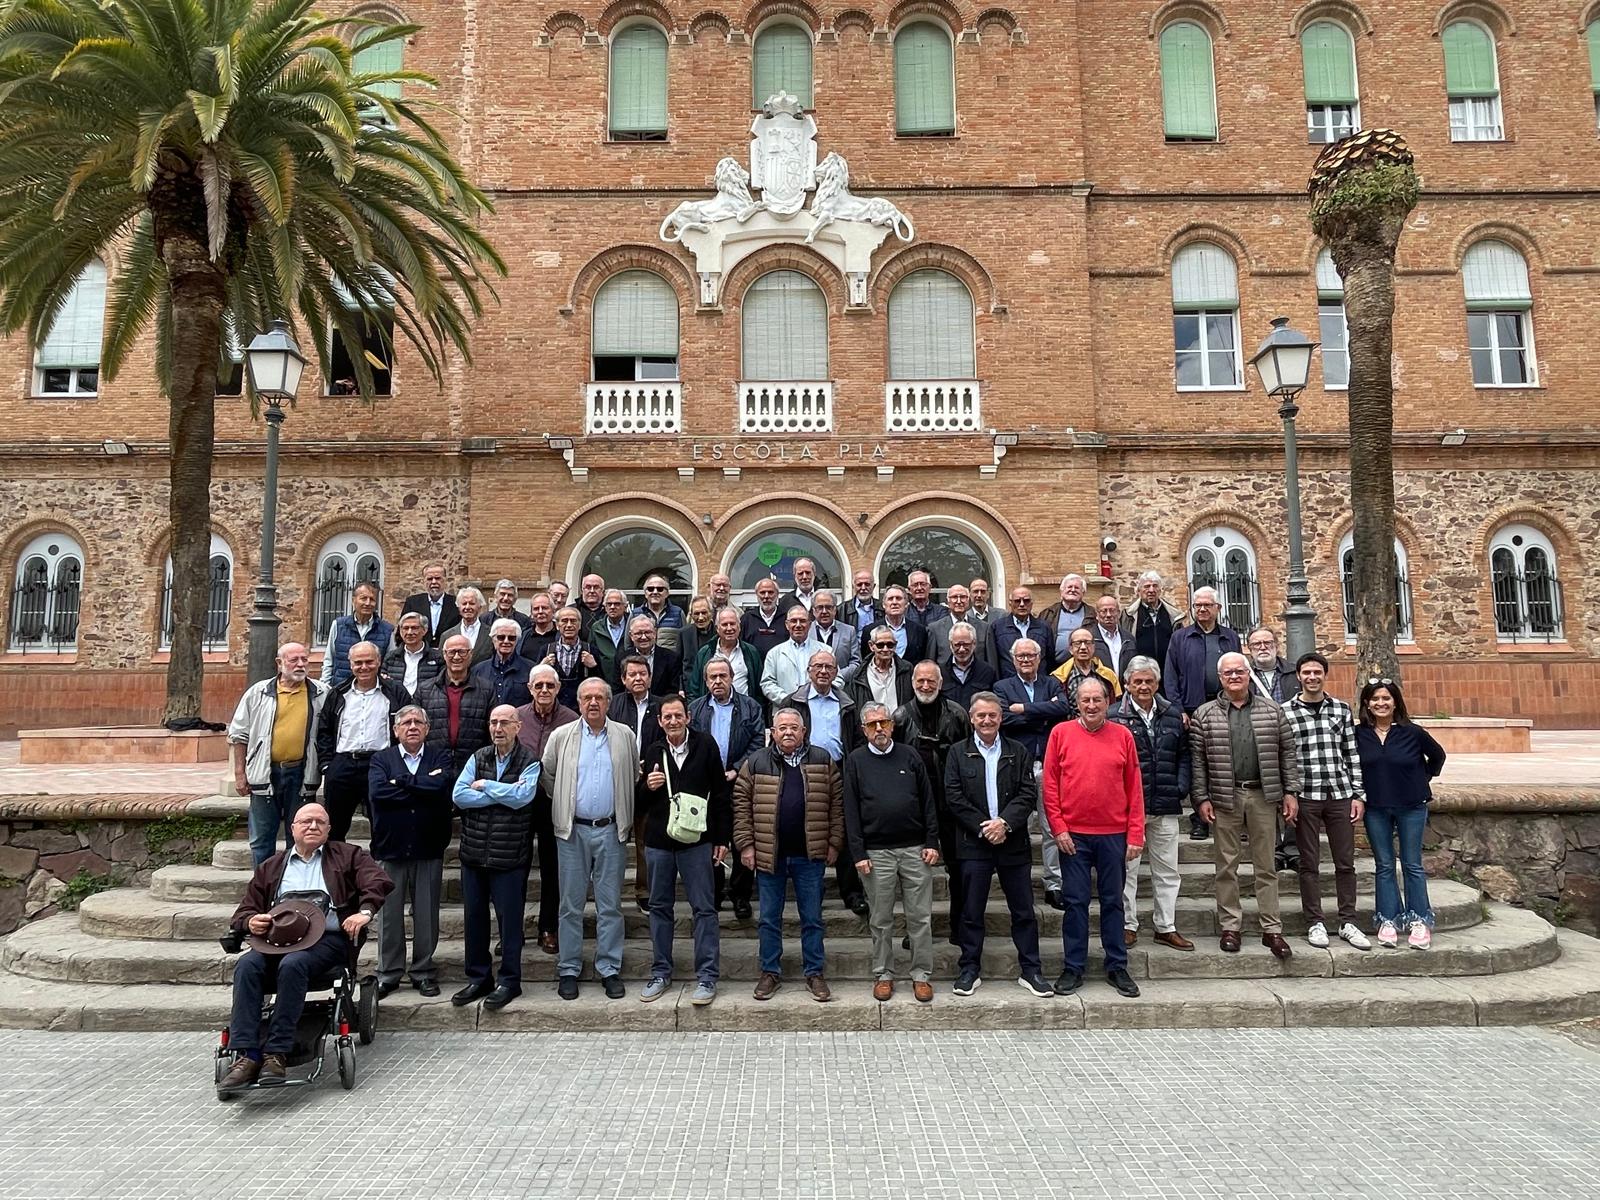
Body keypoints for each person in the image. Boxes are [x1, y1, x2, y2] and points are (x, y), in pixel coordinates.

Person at [218, 802, 392, 1090]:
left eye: (320, 822)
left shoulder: (348, 856)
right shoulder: (272, 867)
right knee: (248, 965)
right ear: (293, 828)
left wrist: (364, 912)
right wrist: (250, 922)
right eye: (306, 821)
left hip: (328, 940)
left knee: (294, 963)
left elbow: (377, 880)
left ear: (329, 829)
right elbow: (245, 910)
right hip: (277, 941)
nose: (313, 826)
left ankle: (277, 1053)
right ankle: (247, 1054)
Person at [1190, 652, 1300, 960]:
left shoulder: (1272, 710)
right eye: (1228, 673)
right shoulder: (1204, 714)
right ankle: (1231, 926)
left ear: (1248, 674)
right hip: (1225, 797)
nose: (1234, 677)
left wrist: (1290, 792)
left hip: (1264, 796)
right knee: (1227, 866)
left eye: (1239, 671)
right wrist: (1201, 797)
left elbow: (1287, 752)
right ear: (1220, 678)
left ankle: (1272, 929)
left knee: (1266, 865)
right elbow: (1198, 762)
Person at [942, 692, 1051, 998]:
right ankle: (969, 969)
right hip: (973, 844)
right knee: (971, 912)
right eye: (981, 716)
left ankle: (1031, 970)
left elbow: (1027, 794)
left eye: (992, 715)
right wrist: (984, 827)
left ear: (1001, 718)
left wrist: (1003, 823)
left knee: (1023, 911)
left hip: (1012, 842)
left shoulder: (1017, 751)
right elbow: (954, 797)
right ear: (971, 718)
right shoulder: (957, 753)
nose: (987, 720)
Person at [1041, 676, 1144, 998]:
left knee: (1114, 903)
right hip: (1074, 836)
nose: (1091, 705)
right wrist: (1058, 828)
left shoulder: (1123, 735)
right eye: (1085, 700)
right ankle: (1074, 966)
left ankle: (1117, 965)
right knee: (1075, 903)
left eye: (1097, 699)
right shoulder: (1060, 734)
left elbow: (1134, 786)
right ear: (1077, 703)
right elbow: (1051, 785)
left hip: (1113, 834)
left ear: (1107, 701)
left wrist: (1135, 833)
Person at [735, 706, 842, 1002]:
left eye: (794, 727)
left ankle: (814, 972)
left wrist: (834, 842)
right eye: (782, 728)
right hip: (771, 856)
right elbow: (741, 805)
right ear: (773, 731)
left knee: (812, 918)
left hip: (811, 856)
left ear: (804, 731)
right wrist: (745, 845)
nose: (788, 732)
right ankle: (770, 972)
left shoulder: (822, 759)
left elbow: (836, 804)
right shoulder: (756, 762)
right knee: (769, 918)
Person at [542, 678, 640, 1001]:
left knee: (610, 904)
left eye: (599, 697)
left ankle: (609, 967)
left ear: (609, 703)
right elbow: (549, 776)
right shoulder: (561, 736)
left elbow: (633, 777)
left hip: (611, 830)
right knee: (570, 904)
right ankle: (569, 968)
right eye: (587, 698)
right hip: (572, 831)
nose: (593, 703)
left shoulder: (625, 736)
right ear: (579, 702)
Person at [635, 695, 731, 1007]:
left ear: (688, 717)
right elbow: (641, 803)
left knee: (704, 909)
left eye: (678, 715)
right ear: (660, 721)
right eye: (667, 717)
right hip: (660, 843)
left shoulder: (706, 745)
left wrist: (721, 839)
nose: (673, 721)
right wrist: (646, 786)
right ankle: (661, 972)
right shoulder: (653, 750)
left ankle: (707, 976)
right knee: (659, 907)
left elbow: (719, 794)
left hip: (698, 841)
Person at [845, 701, 940, 1004]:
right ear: (863, 730)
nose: (878, 729)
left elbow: (928, 801)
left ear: (892, 725)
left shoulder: (910, 755)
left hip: (915, 850)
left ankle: (921, 974)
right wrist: (858, 852)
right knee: (881, 918)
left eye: (883, 723)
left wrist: (931, 842)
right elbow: (851, 809)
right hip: (876, 852)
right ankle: (883, 973)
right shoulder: (856, 760)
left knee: (920, 917)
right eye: (872, 725)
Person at [450, 705, 539, 1011]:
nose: (497, 728)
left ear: (517, 726)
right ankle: (478, 978)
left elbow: (523, 798)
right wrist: (504, 793)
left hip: (509, 854)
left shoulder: (529, 760)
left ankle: (509, 981)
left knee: (509, 922)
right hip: (474, 852)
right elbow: (459, 795)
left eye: (504, 722)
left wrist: (486, 786)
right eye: (493, 722)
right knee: (474, 919)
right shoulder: (479, 757)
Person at [367, 706, 453, 997]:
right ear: (396, 730)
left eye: (418, 722)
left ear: (427, 728)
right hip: (390, 848)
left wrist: (402, 782)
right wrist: (421, 788)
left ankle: (423, 971)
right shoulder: (382, 759)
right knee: (389, 914)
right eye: (406, 722)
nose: (412, 726)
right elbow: (379, 794)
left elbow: (441, 790)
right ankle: (388, 973)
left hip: (428, 846)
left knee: (426, 913)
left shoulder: (440, 756)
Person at [1356, 678, 1447, 950]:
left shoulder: (1412, 732)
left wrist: (1422, 777)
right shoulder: (1359, 734)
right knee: (1384, 865)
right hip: (1376, 807)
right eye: (1375, 699)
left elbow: (1438, 756)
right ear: (1367, 704)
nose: (1381, 704)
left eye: (1386, 699)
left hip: (1411, 805)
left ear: (1396, 702)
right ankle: (1388, 919)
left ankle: (1419, 919)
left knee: (1412, 864)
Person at [1110, 657, 1193, 951]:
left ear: (1157, 683)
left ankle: (1165, 926)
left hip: (1166, 804)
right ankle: (1127, 925)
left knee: (1168, 869)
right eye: (1138, 682)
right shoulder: (1114, 717)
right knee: (1127, 871)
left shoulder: (1172, 714)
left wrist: (1182, 787)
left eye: (1149, 681)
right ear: (1127, 684)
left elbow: (1185, 755)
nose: (1144, 687)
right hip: (1130, 808)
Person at [228, 642, 329, 866]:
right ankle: (264, 891)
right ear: (279, 663)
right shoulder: (259, 693)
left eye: (305, 659)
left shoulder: (321, 693)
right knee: (262, 840)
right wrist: (239, 773)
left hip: (302, 774)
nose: (301, 664)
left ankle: (293, 893)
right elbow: (238, 735)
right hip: (265, 774)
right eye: (294, 660)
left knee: (301, 838)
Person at [893, 661, 970, 946]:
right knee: (915, 876)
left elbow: (968, 756)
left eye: (931, 682)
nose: (926, 687)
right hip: (914, 807)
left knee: (959, 870)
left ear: (940, 683)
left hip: (952, 805)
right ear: (913, 682)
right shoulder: (900, 717)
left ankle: (959, 926)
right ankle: (915, 930)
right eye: (921, 681)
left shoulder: (958, 714)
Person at [786, 649, 866, 915]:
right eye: (818, 666)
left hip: (839, 770)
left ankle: (851, 892)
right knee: (808, 829)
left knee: (842, 828)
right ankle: (812, 891)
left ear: (836, 672)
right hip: (801, 769)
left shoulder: (847, 703)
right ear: (809, 670)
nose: (823, 671)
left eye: (829, 667)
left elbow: (856, 740)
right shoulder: (793, 701)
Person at [994, 638, 1071, 910]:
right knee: (1018, 825)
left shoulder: (1051, 683)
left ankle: (1054, 884)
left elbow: (1063, 709)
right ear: (1013, 660)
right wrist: (1042, 712)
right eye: (1021, 656)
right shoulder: (1002, 686)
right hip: (1018, 766)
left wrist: (1024, 709)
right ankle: (1018, 881)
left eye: (1031, 655)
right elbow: (1004, 719)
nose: (1026, 660)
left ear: (1039, 658)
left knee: (1052, 825)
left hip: (1050, 763)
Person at [688, 658, 765, 917]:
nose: (718, 681)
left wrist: (737, 768)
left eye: (723, 675)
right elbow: (691, 744)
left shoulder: (750, 707)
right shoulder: (696, 709)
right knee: (710, 838)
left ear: (732, 677)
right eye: (712, 677)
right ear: (706, 680)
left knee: (741, 837)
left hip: (739, 780)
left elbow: (757, 740)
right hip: (708, 786)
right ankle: (714, 891)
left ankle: (741, 895)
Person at [1164, 586, 1242, 839]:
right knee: (1199, 764)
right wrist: (1177, 709)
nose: (1202, 609)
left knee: (1228, 762)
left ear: (1218, 608)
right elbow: (1170, 676)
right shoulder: (1180, 638)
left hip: (1225, 707)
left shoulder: (1230, 637)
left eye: (1207, 605)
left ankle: (1232, 817)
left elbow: (1238, 672)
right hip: (1192, 709)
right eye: (1198, 606)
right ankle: (1200, 818)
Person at [314, 640, 408, 841]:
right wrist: (326, 765)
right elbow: (324, 731)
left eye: (369, 661)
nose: (364, 667)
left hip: (381, 764)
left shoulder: (395, 692)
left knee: (383, 825)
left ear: (379, 661)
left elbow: (408, 726)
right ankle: (336, 870)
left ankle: (379, 870)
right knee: (334, 829)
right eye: (358, 662)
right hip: (343, 765)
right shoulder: (338, 693)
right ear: (350, 664)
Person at [514, 664, 579, 956]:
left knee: (554, 869)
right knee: (517, 868)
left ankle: (549, 928)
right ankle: (512, 931)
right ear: (530, 688)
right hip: (520, 803)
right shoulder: (516, 717)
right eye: (538, 685)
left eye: (549, 686)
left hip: (556, 801)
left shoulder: (571, 720)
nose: (544, 691)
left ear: (558, 689)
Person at [611, 656, 664, 913]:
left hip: (650, 780)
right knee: (613, 839)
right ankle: (609, 891)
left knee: (645, 838)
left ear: (650, 677)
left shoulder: (661, 705)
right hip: (617, 779)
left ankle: (644, 891)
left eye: (642, 673)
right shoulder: (614, 704)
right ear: (623, 679)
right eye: (632, 674)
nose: (638, 678)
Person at [414, 635, 495, 774]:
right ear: (444, 655)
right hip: (433, 764)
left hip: (473, 765)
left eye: (462, 652)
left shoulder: (486, 689)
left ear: (471, 654)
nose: (456, 657)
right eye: (452, 652)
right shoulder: (425, 689)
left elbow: (491, 730)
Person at [320, 582, 394, 687]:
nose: (368, 603)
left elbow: (391, 664)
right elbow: (329, 660)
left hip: (373, 691)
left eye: (372, 599)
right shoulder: (339, 625)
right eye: (363, 598)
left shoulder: (387, 630)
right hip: (341, 689)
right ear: (353, 600)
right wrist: (325, 687)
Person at [689, 606, 761, 703]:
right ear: (717, 628)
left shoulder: (751, 652)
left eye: (732, 624)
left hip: (744, 712)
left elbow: (759, 689)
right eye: (724, 624)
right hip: (711, 712)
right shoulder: (705, 652)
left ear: (739, 626)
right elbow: (694, 689)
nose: (729, 628)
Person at [536, 605, 601, 710]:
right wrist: (541, 668)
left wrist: (593, 667)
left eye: (573, 621)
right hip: (553, 710)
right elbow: (536, 682)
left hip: (581, 710)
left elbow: (600, 683)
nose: (569, 625)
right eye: (564, 621)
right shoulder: (546, 650)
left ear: (579, 625)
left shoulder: (590, 650)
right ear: (557, 625)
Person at [1124, 571, 1187, 678]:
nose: (1151, 590)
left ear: (1160, 590)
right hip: (1140, 674)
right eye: (1147, 586)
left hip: (1168, 672)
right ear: (1139, 590)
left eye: (1155, 586)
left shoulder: (1173, 615)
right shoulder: (1129, 615)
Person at [928, 584, 999, 671]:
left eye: (963, 597)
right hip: (946, 682)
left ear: (968, 600)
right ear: (948, 601)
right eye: (954, 597)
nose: (959, 601)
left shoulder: (984, 628)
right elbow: (930, 664)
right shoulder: (935, 629)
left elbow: (992, 663)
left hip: (978, 681)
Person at [1051, 626, 1122, 712]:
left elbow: (1116, 705)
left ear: (1093, 647)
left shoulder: (1108, 676)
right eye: (1078, 643)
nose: (1083, 647)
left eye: (1087, 642)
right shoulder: (1058, 678)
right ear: (1070, 649)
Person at [470, 618, 535, 709]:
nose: (506, 641)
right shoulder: (478, 670)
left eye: (511, 638)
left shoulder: (531, 669)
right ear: (493, 640)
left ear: (517, 641)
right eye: (501, 637)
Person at [760, 605, 817, 704]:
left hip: (816, 707)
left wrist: (816, 697)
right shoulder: (774, 653)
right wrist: (787, 700)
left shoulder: (824, 651)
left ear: (810, 624)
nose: (798, 625)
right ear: (787, 625)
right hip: (784, 711)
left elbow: (837, 680)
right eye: (794, 621)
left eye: (802, 621)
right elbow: (767, 683)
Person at [847, 626, 912, 713]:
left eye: (890, 645)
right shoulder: (859, 675)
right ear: (871, 646)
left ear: (895, 645)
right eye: (880, 645)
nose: (885, 649)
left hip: (901, 724)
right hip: (874, 725)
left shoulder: (907, 669)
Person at [993, 586, 1055, 677]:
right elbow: (993, 660)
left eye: (1026, 601)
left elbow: (1050, 659)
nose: (1022, 604)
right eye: (1017, 601)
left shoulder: (1044, 627)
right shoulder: (998, 627)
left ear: (1032, 603)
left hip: (1039, 682)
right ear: (1010, 603)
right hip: (1008, 683)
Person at [940, 621, 999, 709]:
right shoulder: (940, 672)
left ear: (974, 644)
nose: (961, 649)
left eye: (966, 644)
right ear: (950, 645)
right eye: (957, 645)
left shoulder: (987, 672)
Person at [381, 611, 442, 696]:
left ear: (424, 630)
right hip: (398, 704)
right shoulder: (391, 657)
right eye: (405, 628)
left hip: (425, 703)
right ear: (401, 631)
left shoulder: (437, 658)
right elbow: (383, 682)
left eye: (414, 628)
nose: (409, 632)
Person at [400, 562, 458, 648]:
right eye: (430, 579)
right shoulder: (413, 603)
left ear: (445, 580)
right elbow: (401, 631)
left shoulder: (456, 603)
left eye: (438, 578)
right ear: (424, 581)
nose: (434, 582)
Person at [866, 585, 927, 662]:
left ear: (906, 604)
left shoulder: (919, 630)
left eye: (898, 598)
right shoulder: (870, 630)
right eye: (890, 599)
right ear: (884, 605)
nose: (894, 602)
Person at [1039, 573, 1091, 664]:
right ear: (1062, 591)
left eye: (1077, 588)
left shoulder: (1092, 614)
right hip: (1054, 668)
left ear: (1083, 592)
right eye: (1069, 587)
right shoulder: (1047, 614)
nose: (1073, 590)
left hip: (1083, 666)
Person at [626, 614, 682, 697]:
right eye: (638, 633)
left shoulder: (671, 658)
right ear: (631, 636)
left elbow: (672, 692)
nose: (643, 637)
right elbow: (618, 689)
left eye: (647, 632)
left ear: (655, 633)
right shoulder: (622, 658)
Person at [807, 590, 860, 673]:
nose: (824, 611)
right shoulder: (806, 632)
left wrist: (837, 676)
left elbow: (856, 663)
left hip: (841, 684)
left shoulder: (849, 631)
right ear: (813, 611)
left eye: (828, 607)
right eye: (820, 607)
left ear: (835, 609)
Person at [440, 586, 492, 667]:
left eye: (472, 603)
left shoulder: (491, 634)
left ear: (480, 606)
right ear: (458, 607)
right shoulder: (447, 636)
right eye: (464, 604)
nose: (467, 607)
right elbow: (442, 665)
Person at [590, 589, 633, 685]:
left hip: (629, 680)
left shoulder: (632, 625)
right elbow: (592, 653)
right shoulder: (597, 628)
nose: (612, 607)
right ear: (605, 607)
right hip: (604, 680)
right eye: (609, 604)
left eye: (617, 604)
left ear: (625, 606)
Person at [741, 577, 788, 665]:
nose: (766, 596)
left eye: (770, 592)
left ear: (777, 594)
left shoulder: (787, 618)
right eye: (762, 592)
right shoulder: (746, 619)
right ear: (757, 594)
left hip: (781, 670)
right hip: (755, 671)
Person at [1089, 594, 1133, 682]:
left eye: (1112, 610)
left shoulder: (1129, 638)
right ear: (1097, 614)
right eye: (1104, 611)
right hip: (1100, 690)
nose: (1108, 615)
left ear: (1118, 613)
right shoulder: (1089, 639)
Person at [1244, 626, 1293, 703]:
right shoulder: (1243, 675)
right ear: (1250, 649)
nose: (1263, 647)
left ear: (1276, 646)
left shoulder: (1294, 672)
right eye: (1257, 644)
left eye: (1268, 643)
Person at [632, 573, 686, 639]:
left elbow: (685, 640)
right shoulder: (635, 614)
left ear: (667, 593)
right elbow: (628, 645)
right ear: (645, 593)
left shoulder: (678, 613)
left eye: (660, 589)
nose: (655, 592)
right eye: (650, 589)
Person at [513, 592, 559, 663]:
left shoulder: (561, 636)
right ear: (531, 613)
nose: (540, 612)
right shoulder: (522, 636)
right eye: (536, 609)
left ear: (553, 611)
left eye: (544, 608)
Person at [677, 595, 716, 672]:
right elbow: (677, 665)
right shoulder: (684, 634)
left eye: (704, 613)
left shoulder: (719, 633)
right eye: (696, 613)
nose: (700, 618)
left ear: (711, 613)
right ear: (691, 615)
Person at [840, 569, 884, 633]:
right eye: (859, 584)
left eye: (867, 584)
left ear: (873, 586)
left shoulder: (883, 608)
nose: (863, 588)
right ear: (853, 586)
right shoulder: (842, 610)